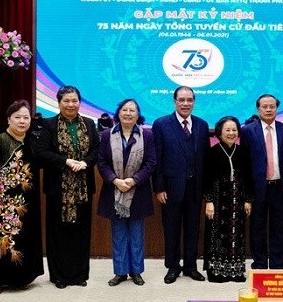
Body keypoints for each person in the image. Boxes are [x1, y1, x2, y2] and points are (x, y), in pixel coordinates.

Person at [35, 85, 98, 289]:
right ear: (59, 102)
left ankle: (79, 275)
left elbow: (96, 151)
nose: (71, 104)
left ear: (80, 102)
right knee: (58, 232)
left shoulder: (89, 124)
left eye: (74, 101)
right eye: (66, 101)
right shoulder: (48, 124)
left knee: (80, 232)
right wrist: (66, 161)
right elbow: (41, 152)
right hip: (58, 189)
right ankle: (59, 276)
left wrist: (86, 162)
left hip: (82, 188)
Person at [0, 100, 43, 295]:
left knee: (25, 238)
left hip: (27, 201)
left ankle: (20, 279)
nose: (22, 121)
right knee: (0, 239)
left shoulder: (33, 140)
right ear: (9, 119)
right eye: (17, 117)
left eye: (26, 117)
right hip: (1, 201)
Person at [152, 86, 210, 284]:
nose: (186, 104)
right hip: (170, 188)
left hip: (195, 189)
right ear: (174, 101)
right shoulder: (161, 124)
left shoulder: (202, 125)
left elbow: (204, 158)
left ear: (194, 102)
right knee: (171, 228)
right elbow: (157, 158)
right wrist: (159, 187)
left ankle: (191, 267)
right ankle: (173, 266)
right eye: (181, 100)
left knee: (193, 229)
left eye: (189, 100)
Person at [97, 99, 156, 287]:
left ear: (138, 115)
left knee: (137, 234)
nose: (128, 113)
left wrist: (134, 180)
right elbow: (102, 162)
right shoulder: (107, 135)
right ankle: (120, 272)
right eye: (125, 110)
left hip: (138, 191)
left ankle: (136, 271)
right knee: (119, 233)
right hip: (114, 191)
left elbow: (151, 163)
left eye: (132, 110)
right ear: (118, 113)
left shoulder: (147, 135)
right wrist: (115, 180)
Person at [239, 94, 283, 270]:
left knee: (279, 227)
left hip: (280, 186)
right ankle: (260, 263)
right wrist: (246, 192)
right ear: (258, 109)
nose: (269, 109)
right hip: (257, 187)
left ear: (277, 108)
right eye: (265, 106)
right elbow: (245, 163)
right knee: (257, 227)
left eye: (272, 106)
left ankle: (278, 263)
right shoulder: (248, 130)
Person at [203, 116, 253, 282]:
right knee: (217, 234)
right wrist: (209, 201)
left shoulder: (243, 152)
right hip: (218, 202)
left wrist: (248, 200)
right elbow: (207, 178)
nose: (231, 133)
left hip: (237, 201)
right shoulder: (212, 152)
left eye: (234, 130)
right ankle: (216, 271)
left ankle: (236, 270)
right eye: (227, 130)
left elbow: (248, 178)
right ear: (219, 132)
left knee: (237, 234)